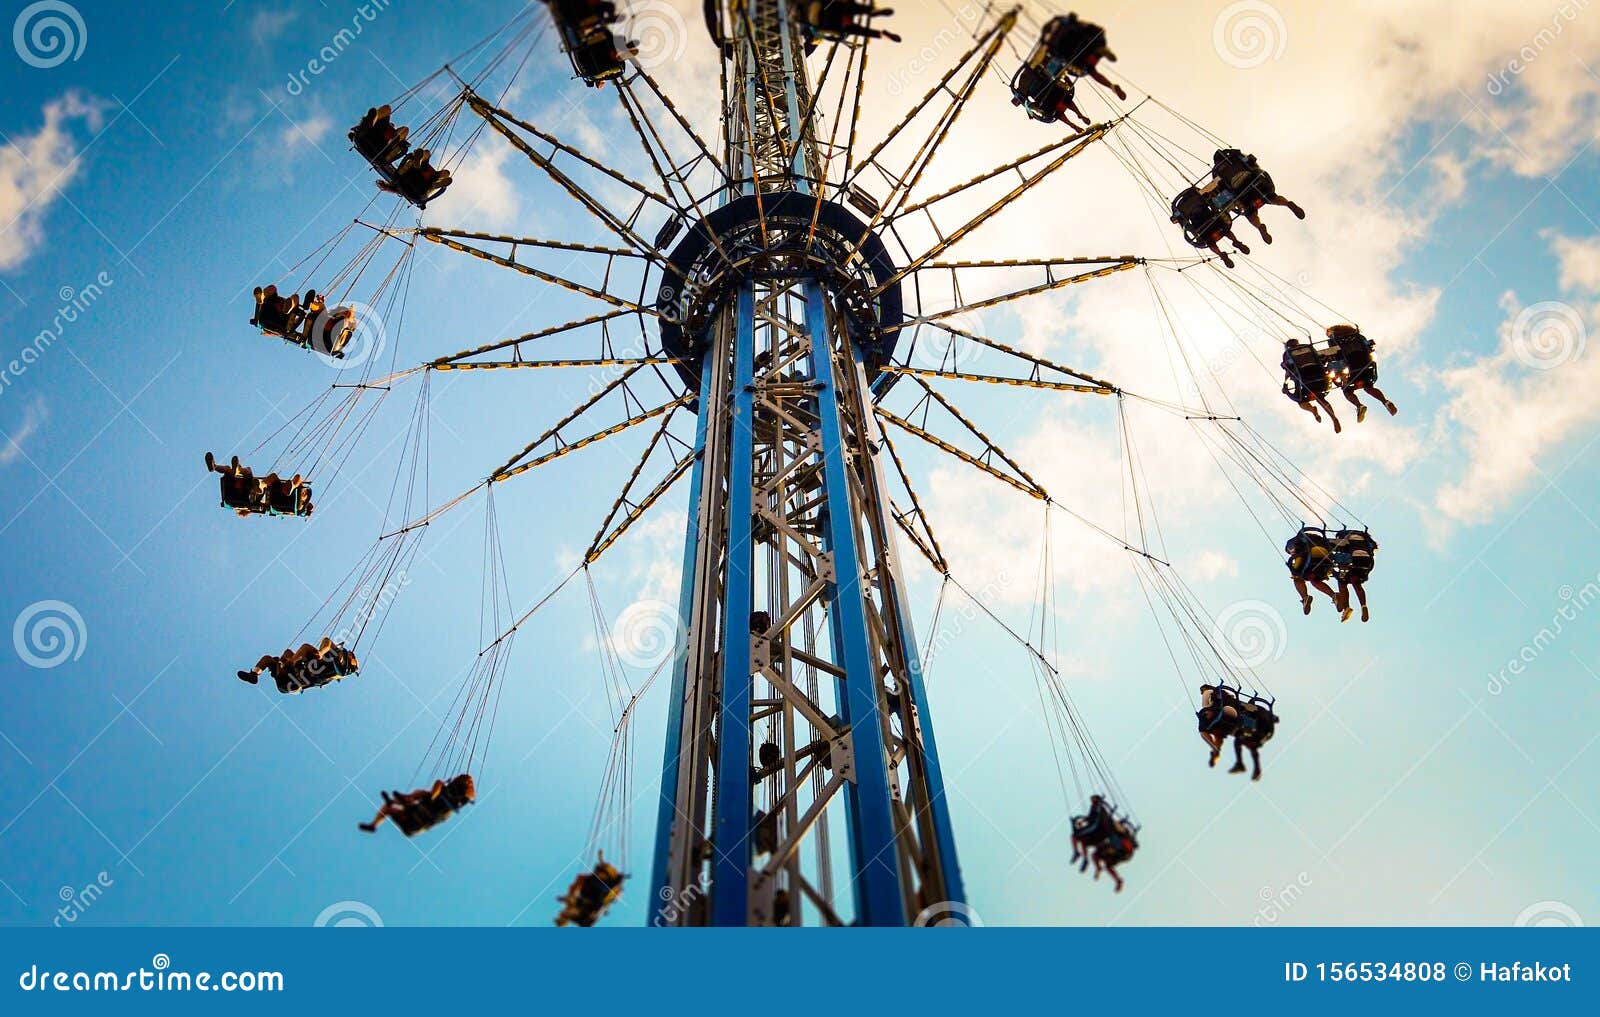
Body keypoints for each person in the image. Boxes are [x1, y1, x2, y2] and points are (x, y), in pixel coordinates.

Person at [1209, 148, 1304, 243]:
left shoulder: (1216, 172)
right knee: (1272, 197)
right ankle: (1288, 204)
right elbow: (1253, 161)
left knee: (1249, 213)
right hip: (1254, 181)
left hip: (1239, 192)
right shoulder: (1235, 156)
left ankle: (1259, 226)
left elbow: (1220, 189)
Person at [359, 774, 477, 835]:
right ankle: (374, 825)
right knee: (416, 796)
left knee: (420, 796)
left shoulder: (461, 799)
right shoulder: (447, 789)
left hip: (419, 821)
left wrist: (467, 789)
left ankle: (399, 801)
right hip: (418, 816)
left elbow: (471, 797)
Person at [1043, 13, 1126, 99]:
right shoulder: (1060, 24)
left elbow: (1053, 55)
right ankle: (1110, 85)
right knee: (1088, 68)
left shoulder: (1052, 33)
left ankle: (1110, 85)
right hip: (1078, 47)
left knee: (1087, 70)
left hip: (1073, 50)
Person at [1324, 325, 1396, 422]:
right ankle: (1385, 401)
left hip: (1353, 368)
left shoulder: (1335, 340)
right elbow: (1368, 346)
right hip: (1366, 366)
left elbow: (1337, 357)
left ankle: (1359, 405)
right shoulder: (1358, 336)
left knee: (1347, 390)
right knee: (1368, 387)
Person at [1171, 185, 1249, 267]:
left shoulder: (1179, 209)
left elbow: (1175, 218)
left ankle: (1220, 254)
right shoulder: (1198, 196)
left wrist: (1176, 219)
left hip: (1200, 226)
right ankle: (1235, 241)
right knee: (1225, 230)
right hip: (1212, 218)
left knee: (1209, 242)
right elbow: (1209, 197)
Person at [1282, 337, 1340, 432]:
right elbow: (1320, 358)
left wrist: (1285, 385)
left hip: (1306, 379)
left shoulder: (1289, 355)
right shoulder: (1308, 348)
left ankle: (1313, 410)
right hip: (1320, 376)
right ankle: (1333, 418)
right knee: (1320, 398)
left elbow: (1288, 372)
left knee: (1301, 401)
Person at [555, 852, 627, 926]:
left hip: (594, 891)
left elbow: (574, 897)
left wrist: (566, 899)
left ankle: (602, 872)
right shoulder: (582, 916)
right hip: (598, 893)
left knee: (583, 880)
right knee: (589, 882)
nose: (562, 913)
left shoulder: (575, 905)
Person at [1285, 526, 1338, 615]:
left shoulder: (1293, 542)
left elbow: (1295, 554)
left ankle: (1305, 597)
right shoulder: (1320, 539)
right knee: (1315, 581)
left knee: (1297, 579)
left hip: (1311, 558)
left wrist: (1293, 568)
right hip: (1324, 559)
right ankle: (1334, 595)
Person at [1331, 528, 1377, 623]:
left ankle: (1346, 607)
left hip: (1355, 559)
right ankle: (1363, 605)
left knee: (1342, 581)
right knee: (1356, 582)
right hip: (1367, 562)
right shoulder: (1366, 539)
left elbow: (1339, 545)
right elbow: (1374, 547)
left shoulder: (1346, 537)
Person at [803, 2, 902, 43]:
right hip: (827, 16)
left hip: (828, 18)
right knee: (850, 10)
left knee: (856, 27)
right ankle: (871, 12)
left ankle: (880, 32)